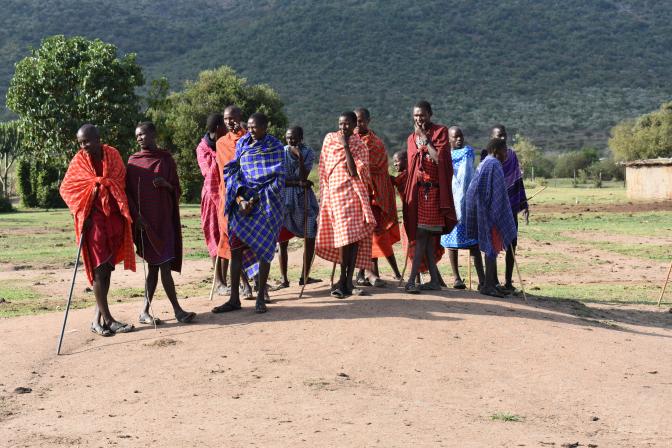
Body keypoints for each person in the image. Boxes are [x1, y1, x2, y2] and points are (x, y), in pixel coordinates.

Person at [59, 124, 136, 336]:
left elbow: (121, 179)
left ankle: (96, 320)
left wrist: (105, 185)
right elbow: (66, 189)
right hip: (93, 222)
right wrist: (91, 192)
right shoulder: (79, 161)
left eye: (87, 141)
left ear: (98, 138)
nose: (84, 146)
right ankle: (109, 320)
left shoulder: (112, 154)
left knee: (107, 268)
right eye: (81, 143)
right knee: (100, 269)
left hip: (113, 218)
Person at [212, 112, 285, 314]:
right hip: (242, 207)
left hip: (265, 206)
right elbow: (233, 171)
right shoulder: (243, 143)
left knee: (264, 252)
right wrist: (240, 199)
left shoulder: (276, 147)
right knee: (235, 250)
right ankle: (234, 298)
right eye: (250, 127)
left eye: (256, 127)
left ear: (265, 127)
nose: (251, 131)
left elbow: (279, 179)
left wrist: (253, 201)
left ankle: (260, 296)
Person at [126, 122, 195, 324]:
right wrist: (136, 217)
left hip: (165, 220)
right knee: (160, 265)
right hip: (145, 223)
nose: (139, 138)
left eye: (143, 134)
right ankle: (177, 311)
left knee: (158, 266)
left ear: (154, 134)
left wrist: (166, 185)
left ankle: (145, 311)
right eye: (137, 135)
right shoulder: (133, 162)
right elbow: (128, 193)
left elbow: (177, 189)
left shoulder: (166, 159)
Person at [316, 111, 376, 298]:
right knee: (343, 239)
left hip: (354, 196)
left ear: (354, 125)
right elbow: (323, 168)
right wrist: (324, 195)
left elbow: (354, 172)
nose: (343, 128)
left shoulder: (359, 145)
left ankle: (347, 281)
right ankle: (342, 279)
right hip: (335, 196)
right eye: (341, 124)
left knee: (353, 239)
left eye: (347, 124)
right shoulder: (329, 139)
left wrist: (346, 146)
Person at [402, 101, 457, 294]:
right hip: (418, 194)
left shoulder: (440, 132)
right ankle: (433, 279)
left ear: (430, 114)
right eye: (416, 115)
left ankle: (410, 281)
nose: (419, 119)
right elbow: (411, 169)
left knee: (422, 236)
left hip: (433, 193)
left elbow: (440, 159)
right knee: (422, 238)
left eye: (422, 115)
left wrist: (425, 140)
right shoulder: (410, 139)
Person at [354, 107, 401, 287]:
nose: (359, 124)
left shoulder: (377, 144)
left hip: (373, 196)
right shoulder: (347, 141)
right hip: (354, 195)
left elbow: (380, 169)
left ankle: (370, 273)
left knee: (373, 234)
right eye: (356, 121)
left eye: (361, 120)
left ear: (368, 120)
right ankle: (363, 273)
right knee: (357, 236)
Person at [465, 138, 517, 298]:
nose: (506, 153)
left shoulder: (486, 162)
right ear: (496, 150)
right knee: (491, 248)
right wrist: (500, 212)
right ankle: (488, 286)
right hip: (489, 212)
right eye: (504, 149)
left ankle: (492, 284)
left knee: (491, 247)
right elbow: (498, 193)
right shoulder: (494, 164)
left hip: (481, 209)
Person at [273, 126, 320, 289]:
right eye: (288, 138)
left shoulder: (308, 152)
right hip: (284, 199)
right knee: (282, 240)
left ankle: (304, 276)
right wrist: (297, 183)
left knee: (310, 235)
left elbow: (303, 177)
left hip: (303, 198)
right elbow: (279, 179)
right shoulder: (280, 152)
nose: (290, 141)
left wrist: (299, 157)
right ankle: (284, 279)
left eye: (293, 138)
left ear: (301, 138)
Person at [440, 126, 485, 289]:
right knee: (452, 243)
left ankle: (482, 280)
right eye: (455, 137)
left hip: (468, 203)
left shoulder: (467, 152)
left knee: (474, 243)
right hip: (450, 203)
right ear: (449, 139)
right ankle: (457, 278)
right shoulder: (444, 156)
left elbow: (467, 175)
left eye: (461, 136)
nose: (459, 139)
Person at [216, 105, 252, 297]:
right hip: (230, 197)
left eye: (232, 118)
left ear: (240, 117)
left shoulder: (250, 138)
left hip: (251, 197)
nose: (229, 122)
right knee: (234, 241)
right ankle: (245, 284)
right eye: (226, 118)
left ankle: (258, 284)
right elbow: (225, 172)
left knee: (252, 242)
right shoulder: (221, 143)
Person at [491, 124, 529, 293]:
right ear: (492, 138)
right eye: (499, 136)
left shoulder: (512, 156)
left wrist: (524, 203)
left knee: (512, 244)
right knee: (493, 244)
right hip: (494, 208)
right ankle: (493, 281)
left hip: (511, 207)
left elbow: (518, 180)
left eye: (504, 135)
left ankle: (508, 281)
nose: (502, 139)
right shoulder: (488, 156)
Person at [196, 113, 227, 294]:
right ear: (217, 128)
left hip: (227, 194)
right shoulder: (202, 149)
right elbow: (209, 172)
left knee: (227, 236)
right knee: (214, 236)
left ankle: (225, 278)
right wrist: (220, 155)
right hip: (211, 196)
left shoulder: (227, 144)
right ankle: (219, 282)